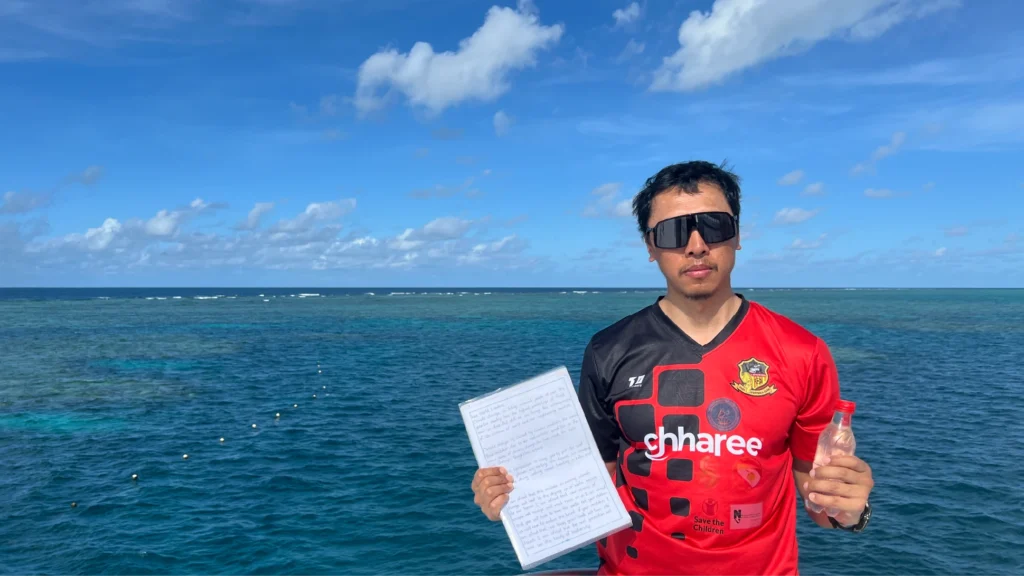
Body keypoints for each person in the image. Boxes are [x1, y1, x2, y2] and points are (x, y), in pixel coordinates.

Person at [470, 160, 875, 575]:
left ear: (737, 235)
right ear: (650, 247)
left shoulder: (802, 353)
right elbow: (592, 482)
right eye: (672, 232)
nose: (696, 245)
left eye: (714, 226)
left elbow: (819, 500)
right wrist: (515, 497)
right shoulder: (609, 350)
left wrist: (849, 509)